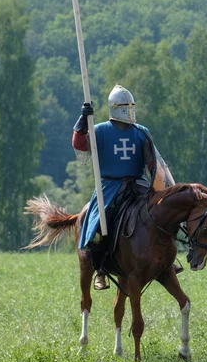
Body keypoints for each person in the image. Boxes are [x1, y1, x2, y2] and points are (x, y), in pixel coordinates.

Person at [72, 84, 180, 290]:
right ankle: (100, 268)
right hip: (110, 188)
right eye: (124, 105)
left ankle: (166, 261)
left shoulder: (141, 132)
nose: (128, 109)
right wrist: (82, 122)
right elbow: (80, 146)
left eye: (130, 105)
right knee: (99, 224)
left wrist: (159, 187)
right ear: (115, 107)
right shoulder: (100, 130)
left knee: (160, 214)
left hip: (138, 185)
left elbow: (152, 163)